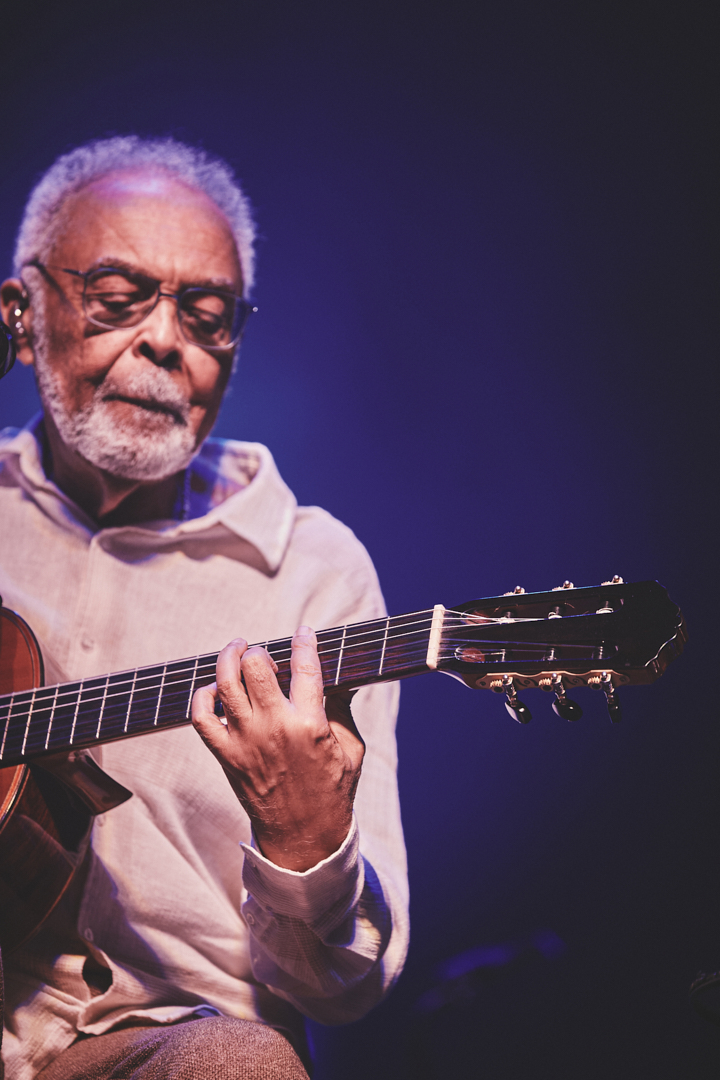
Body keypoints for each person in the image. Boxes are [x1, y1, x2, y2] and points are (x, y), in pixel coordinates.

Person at [0, 137, 408, 1080]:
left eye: (207, 316)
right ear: (22, 315)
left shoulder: (313, 572)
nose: (165, 341)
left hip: (162, 1041)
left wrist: (307, 843)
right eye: (116, 298)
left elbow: (346, 988)